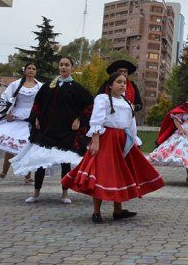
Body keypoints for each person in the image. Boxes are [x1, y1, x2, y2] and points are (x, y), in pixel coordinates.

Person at [62, 72, 164, 223]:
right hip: (107, 139)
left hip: (123, 140)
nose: (123, 84)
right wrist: (95, 140)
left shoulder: (128, 103)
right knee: (103, 173)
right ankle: (96, 212)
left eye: (124, 82)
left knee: (122, 173)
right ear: (110, 85)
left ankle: (118, 210)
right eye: (119, 82)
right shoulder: (102, 99)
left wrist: (134, 140)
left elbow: (131, 124)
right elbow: (96, 120)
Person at [10, 57, 93, 204]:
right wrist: (35, 117)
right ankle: (36, 193)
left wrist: (79, 119)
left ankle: (64, 194)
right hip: (47, 130)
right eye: (61, 65)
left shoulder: (77, 88)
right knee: (41, 162)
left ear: (72, 67)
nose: (63, 68)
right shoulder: (49, 86)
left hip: (66, 132)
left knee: (65, 163)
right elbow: (38, 103)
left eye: (67, 65)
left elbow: (89, 105)